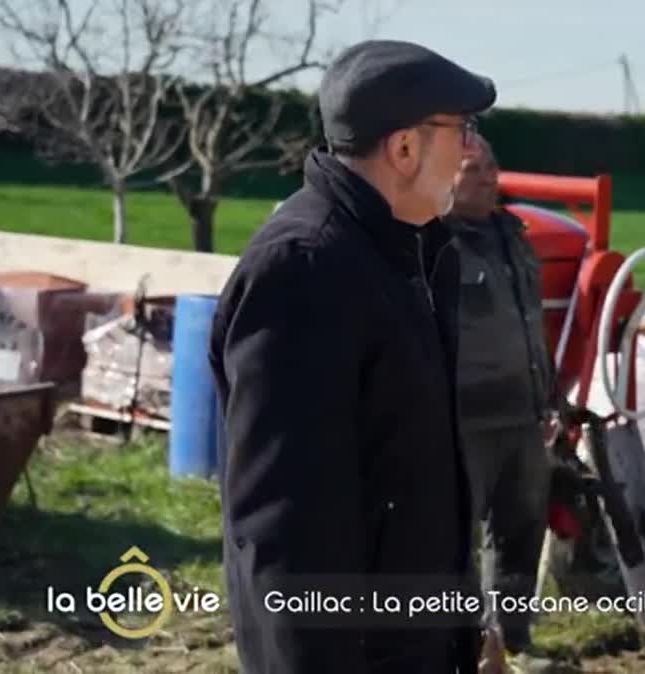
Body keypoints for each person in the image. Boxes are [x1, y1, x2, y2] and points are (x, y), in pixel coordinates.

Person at [208, 39, 496, 673]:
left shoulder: (414, 254)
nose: (471, 151)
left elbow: (417, 478)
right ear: (403, 148)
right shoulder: (304, 271)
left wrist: (466, 627)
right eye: (461, 130)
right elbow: (284, 532)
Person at [445, 136, 555, 663]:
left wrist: (548, 401)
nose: (490, 176)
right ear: (445, 174)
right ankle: (459, 647)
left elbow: (533, 325)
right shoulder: (430, 243)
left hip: (525, 415)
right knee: (452, 540)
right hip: (465, 421)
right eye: (473, 168)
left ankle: (513, 641)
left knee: (521, 532)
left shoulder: (513, 235)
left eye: (492, 165)